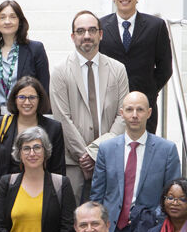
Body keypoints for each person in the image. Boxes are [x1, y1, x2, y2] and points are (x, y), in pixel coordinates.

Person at [49, 11, 129, 204]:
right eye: (81, 31)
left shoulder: (118, 69)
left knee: (109, 217)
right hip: (74, 163)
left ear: (100, 34)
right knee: (75, 219)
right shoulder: (60, 71)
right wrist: (84, 157)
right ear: (73, 36)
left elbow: (123, 115)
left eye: (92, 30)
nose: (86, 35)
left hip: (111, 158)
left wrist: (96, 153)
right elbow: (62, 118)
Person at [90, 92, 181, 232]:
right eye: (129, 109)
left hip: (149, 229)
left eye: (140, 110)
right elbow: (97, 194)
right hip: (112, 230)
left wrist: (155, 218)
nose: (134, 115)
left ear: (149, 113)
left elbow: (173, 194)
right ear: (122, 113)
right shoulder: (106, 149)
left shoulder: (167, 150)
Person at [99, 0, 173, 133]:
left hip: (143, 108)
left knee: (143, 155)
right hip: (111, 109)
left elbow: (165, 68)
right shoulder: (100, 27)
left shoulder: (156, 26)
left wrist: (148, 91)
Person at [0, 0, 50, 131]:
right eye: (2, 17)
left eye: (13, 17)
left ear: (20, 22)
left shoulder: (35, 49)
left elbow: (44, 88)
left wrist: (42, 121)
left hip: (28, 119)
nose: (7, 21)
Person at [0, 75, 66, 183]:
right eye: (22, 97)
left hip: (42, 190)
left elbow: (58, 169)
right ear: (14, 99)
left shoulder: (54, 128)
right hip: (6, 190)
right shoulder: (0, 124)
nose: (27, 102)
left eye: (32, 97)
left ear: (40, 100)